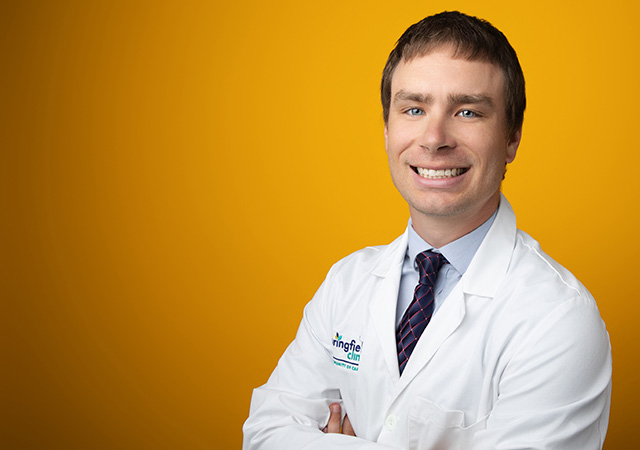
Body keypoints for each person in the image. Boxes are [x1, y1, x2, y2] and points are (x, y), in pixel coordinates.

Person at [242, 11, 611, 450]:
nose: (434, 138)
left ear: (511, 137)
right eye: (414, 108)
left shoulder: (557, 320)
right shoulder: (347, 283)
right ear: (386, 128)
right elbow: (264, 435)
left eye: (468, 111)